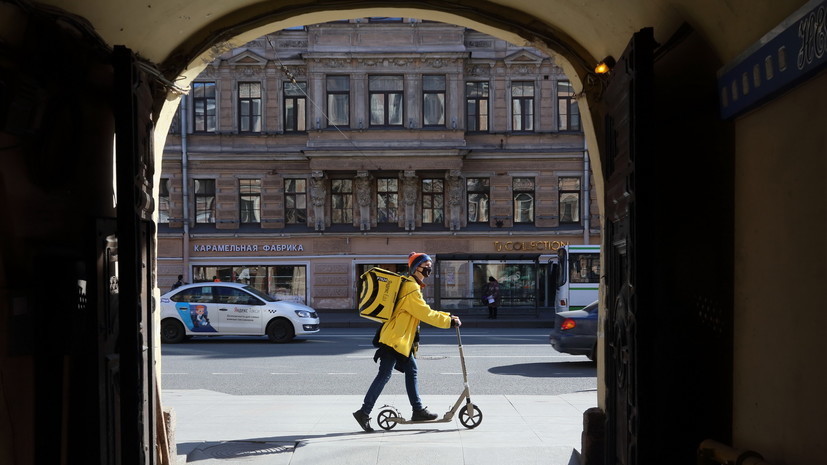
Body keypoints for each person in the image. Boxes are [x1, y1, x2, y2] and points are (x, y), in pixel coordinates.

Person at [353, 252, 461, 432]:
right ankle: (364, 412)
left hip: (399, 340)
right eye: (426, 265)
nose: (429, 268)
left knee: (410, 370)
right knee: (385, 375)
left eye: (430, 265)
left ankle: (417, 410)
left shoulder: (411, 286)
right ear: (415, 267)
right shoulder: (411, 288)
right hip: (395, 340)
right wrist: (449, 321)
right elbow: (425, 314)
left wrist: (448, 316)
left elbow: (423, 311)